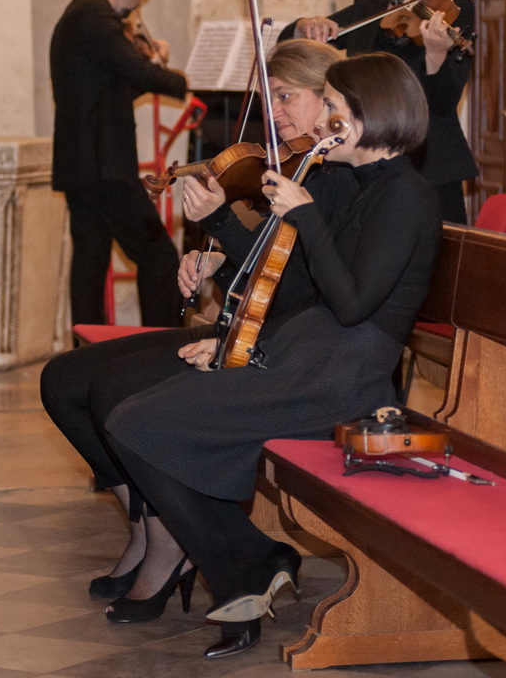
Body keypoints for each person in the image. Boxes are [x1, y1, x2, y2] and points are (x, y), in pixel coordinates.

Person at [101, 52, 442, 658]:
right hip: (308, 359)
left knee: (140, 423)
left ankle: (239, 570)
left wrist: (305, 217)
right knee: (134, 416)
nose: (325, 121)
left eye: (334, 107)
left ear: (371, 114)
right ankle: (244, 565)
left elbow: (352, 305)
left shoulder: (406, 197)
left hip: (345, 380)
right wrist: (246, 342)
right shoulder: (363, 185)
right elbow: (309, 296)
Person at [40, 40, 349, 622]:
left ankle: (173, 541)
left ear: (331, 102)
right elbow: (268, 266)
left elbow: (310, 294)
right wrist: (214, 259)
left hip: (277, 352)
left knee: (114, 391)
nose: (275, 112)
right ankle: (151, 523)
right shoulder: (290, 168)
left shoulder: (333, 179)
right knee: (63, 378)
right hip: (245, 331)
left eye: (288, 97)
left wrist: (221, 228)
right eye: (271, 98)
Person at [281, 0, 478, 223]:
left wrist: (435, 56)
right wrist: (304, 25)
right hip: (367, 167)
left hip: (431, 168)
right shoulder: (366, 9)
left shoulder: (454, 11)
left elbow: (444, 104)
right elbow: (289, 45)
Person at [50, 0, 189, 327]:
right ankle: (160, 351)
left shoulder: (79, 17)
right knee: (160, 258)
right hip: (106, 170)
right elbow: (140, 74)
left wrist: (145, 63)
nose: (138, 3)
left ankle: (84, 358)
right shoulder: (96, 18)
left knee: (90, 266)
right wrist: (182, 81)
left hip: (83, 169)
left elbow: (115, 88)